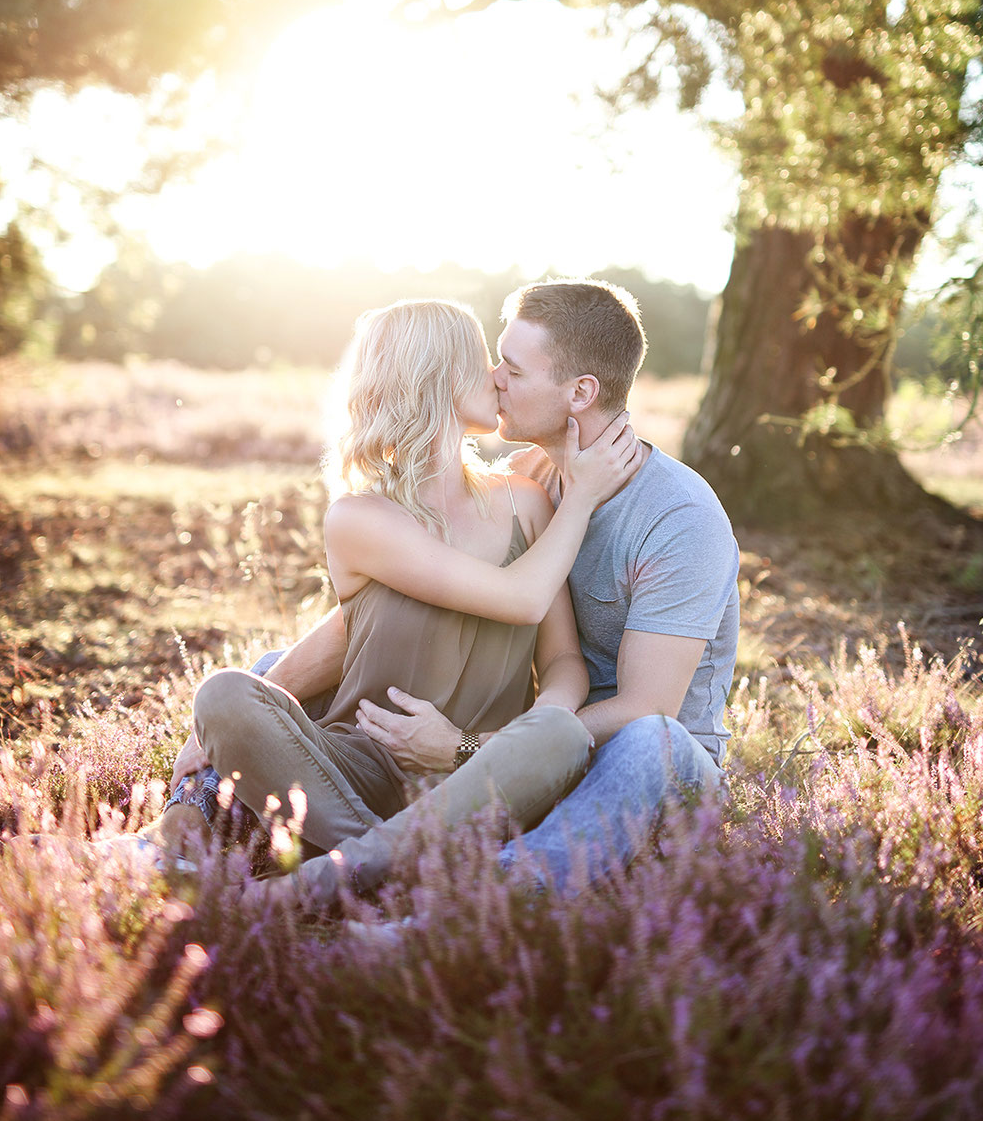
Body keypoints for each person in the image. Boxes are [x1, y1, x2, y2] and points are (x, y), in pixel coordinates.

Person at [242, 277, 740, 909]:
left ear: (580, 392)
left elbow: (646, 707)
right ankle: (198, 822)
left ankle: (471, 900)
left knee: (650, 743)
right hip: (525, 749)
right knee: (265, 681)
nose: (493, 377)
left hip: (632, 763)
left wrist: (470, 750)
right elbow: (373, 615)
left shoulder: (678, 516)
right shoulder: (526, 482)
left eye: (512, 367)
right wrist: (272, 689)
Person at [153, 298, 642, 878]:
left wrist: (488, 742)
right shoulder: (361, 518)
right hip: (354, 769)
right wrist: (583, 497)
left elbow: (561, 658)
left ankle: (350, 867)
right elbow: (520, 598)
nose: (496, 375)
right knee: (225, 694)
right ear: (436, 377)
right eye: (482, 359)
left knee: (562, 732)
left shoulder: (527, 502)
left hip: (476, 770)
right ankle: (397, 866)